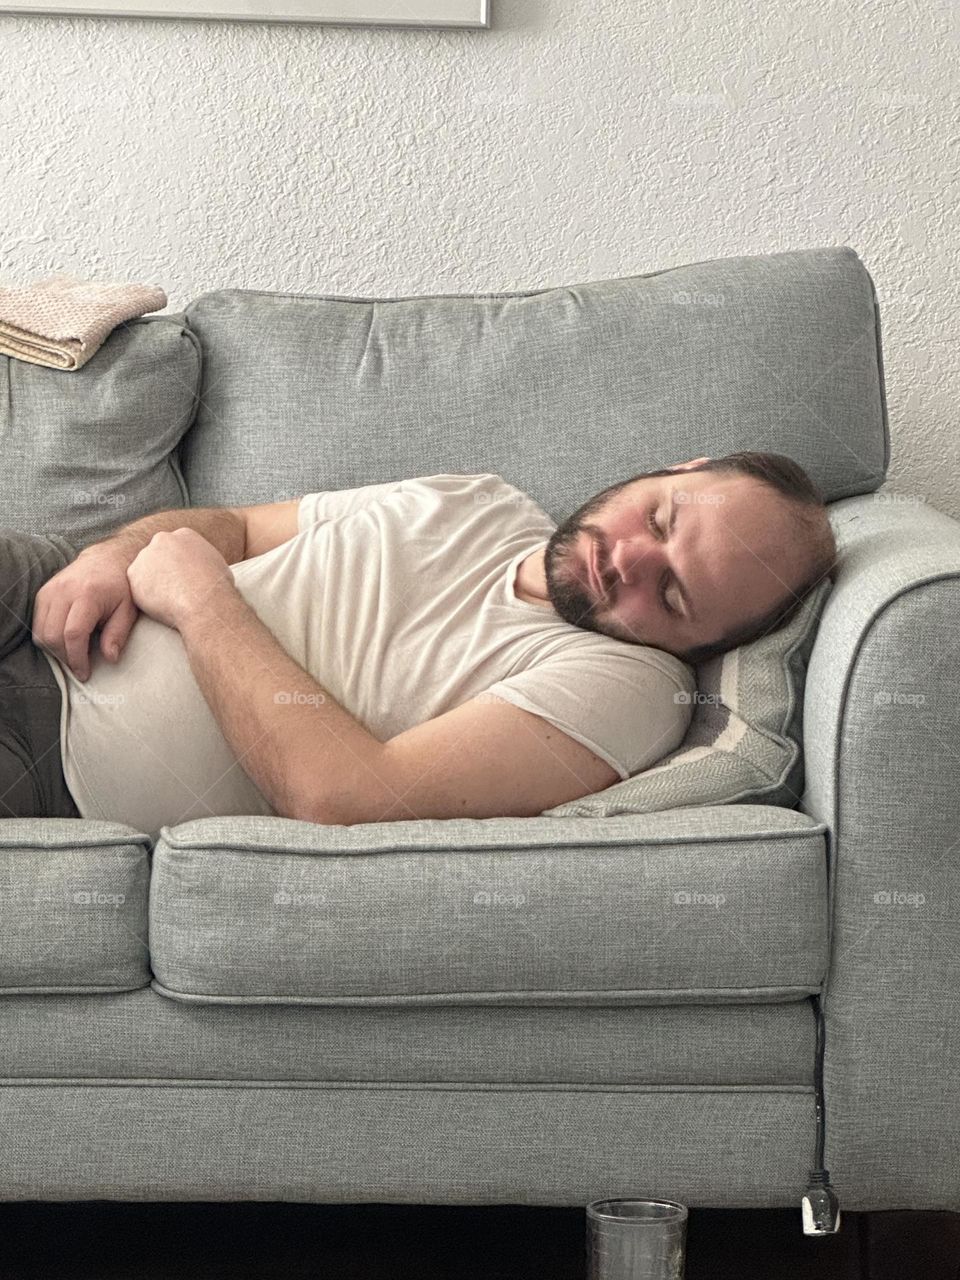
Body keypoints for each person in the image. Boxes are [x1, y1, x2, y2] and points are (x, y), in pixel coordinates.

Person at [8, 451, 835, 834]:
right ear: (676, 468)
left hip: (55, 753)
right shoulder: (478, 498)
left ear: (702, 647)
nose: (627, 562)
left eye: (676, 595)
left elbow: (347, 796)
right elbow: (236, 524)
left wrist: (199, 600)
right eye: (659, 518)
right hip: (51, 594)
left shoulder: (628, 688)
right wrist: (115, 555)